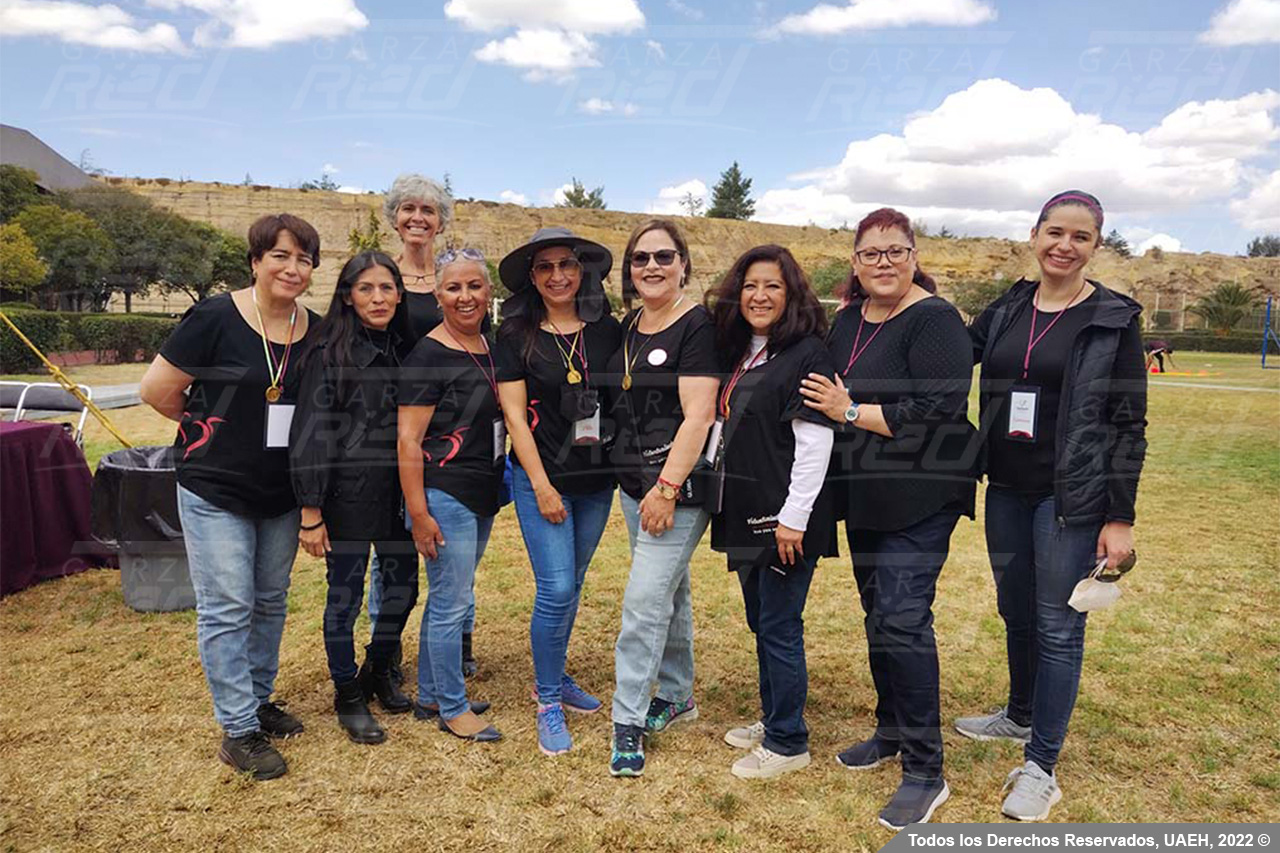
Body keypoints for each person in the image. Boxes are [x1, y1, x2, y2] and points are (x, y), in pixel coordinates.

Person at [958, 190, 1147, 821]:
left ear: (1096, 246)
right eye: (1055, 232)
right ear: (1035, 235)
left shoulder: (1114, 319)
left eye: (1081, 237)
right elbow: (957, 353)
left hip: (1071, 496)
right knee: (1015, 608)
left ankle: (1041, 766)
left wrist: (1118, 517)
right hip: (1006, 486)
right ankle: (1018, 715)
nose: (1065, 245)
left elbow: (1128, 422)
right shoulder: (1011, 304)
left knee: (1058, 625)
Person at [800, 208, 976, 829]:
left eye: (895, 252)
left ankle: (926, 772)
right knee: (879, 616)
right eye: (871, 253)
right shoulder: (849, 320)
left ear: (913, 255)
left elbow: (938, 408)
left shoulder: (935, 319)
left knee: (902, 619)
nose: (883, 263)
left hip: (922, 495)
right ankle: (891, 730)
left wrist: (852, 411)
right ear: (854, 261)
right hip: (867, 496)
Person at [139, 213, 321, 781]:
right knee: (226, 607)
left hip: (281, 492)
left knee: (270, 599)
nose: (293, 268)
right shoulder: (215, 316)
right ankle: (238, 728)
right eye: (282, 256)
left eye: (305, 259)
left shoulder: (313, 329)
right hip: (215, 485)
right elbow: (158, 391)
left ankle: (259, 700)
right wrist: (210, 430)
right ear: (256, 261)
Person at [705, 245, 836, 780]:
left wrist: (795, 518)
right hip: (743, 509)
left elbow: (815, 443)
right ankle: (773, 716)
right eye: (751, 286)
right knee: (762, 621)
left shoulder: (807, 354)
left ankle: (788, 742)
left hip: (785, 519)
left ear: (792, 295)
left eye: (773, 287)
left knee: (780, 625)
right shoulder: (742, 352)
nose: (759, 296)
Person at [495, 227, 622, 756]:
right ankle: (547, 698)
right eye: (544, 268)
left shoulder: (608, 330)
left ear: (583, 270)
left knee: (574, 580)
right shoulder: (516, 334)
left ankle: (558, 672)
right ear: (532, 277)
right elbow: (514, 419)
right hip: (541, 479)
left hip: (597, 481)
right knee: (556, 589)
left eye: (566, 265)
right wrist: (542, 486)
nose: (557, 276)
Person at [605, 218, 719, 777]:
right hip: (634, 489)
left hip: (675, 490)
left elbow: (699, 415)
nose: (651, 266)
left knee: (643, 605)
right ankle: (676, 694)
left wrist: (667, 489)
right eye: (641, 258)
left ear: (683, 265)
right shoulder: (631, 325)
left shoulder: (696, 325)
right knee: (669, 593)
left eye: (663, 257)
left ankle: (627, 720)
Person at [289, 251, 417, 744]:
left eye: (386, 288)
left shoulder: (406, 350)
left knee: (404, 589)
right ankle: (347, 693)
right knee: (345, 596)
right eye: (366, 288)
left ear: (400, 294)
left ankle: (377, 669)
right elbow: (311, 433)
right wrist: (311, 511)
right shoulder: (328, 354)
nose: (378, 298)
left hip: (398, 495)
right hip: (345, 496)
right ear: (348, 295)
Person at [375, 173, 481, 681]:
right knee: (394, 553)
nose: (418, 218)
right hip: (396, 424)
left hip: (454, 437)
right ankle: (386, 650)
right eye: (408, 209)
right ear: (394, 217)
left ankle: (457, 644)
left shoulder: (456, 278)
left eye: (428, 210)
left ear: (441, 221)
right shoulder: (381, 277)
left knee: (457, 551)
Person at [397, 247, 504, 742]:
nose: (466, 297)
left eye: (474, 286)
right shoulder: (427, 354)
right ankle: (454, 708)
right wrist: (418, 512)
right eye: (454, 288)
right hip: (444, 493)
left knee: (452, 596)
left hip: (481, 490)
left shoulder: (488, 345)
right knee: (450, 600)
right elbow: (408, 441)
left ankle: (431, 694)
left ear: (488, 292)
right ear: (437, 294)